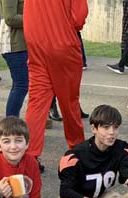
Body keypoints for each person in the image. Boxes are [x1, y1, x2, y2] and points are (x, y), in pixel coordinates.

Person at [23, 0, 88, 166]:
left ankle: (30, 155)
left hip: (36, 42)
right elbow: (78, 18)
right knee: (69, 102)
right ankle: (77, 150)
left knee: (37, 102)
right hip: (63, 42)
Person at [0, 0, 28, 117]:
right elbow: (10, 18)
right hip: (14, 44)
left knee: (20, 85)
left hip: (21, 44)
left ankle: (11, 122)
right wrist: (35, 17)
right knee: (21, 85)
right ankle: (11, 123)